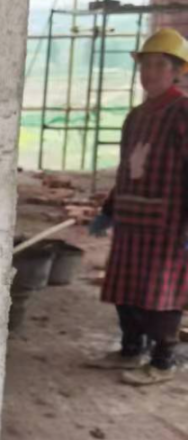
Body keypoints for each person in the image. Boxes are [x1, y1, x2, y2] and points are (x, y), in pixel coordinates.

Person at [88, 27, 188, 385]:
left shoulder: (183, 112)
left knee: (160, 294)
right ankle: (131, 350)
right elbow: (126, 171)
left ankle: (163, 361)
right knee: (125, 290)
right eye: (145, 65)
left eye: (159, 65)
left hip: (168, 225)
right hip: (132, 220)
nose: (149, 72)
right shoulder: (136, 116)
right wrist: (109, 209)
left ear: (177, 71)